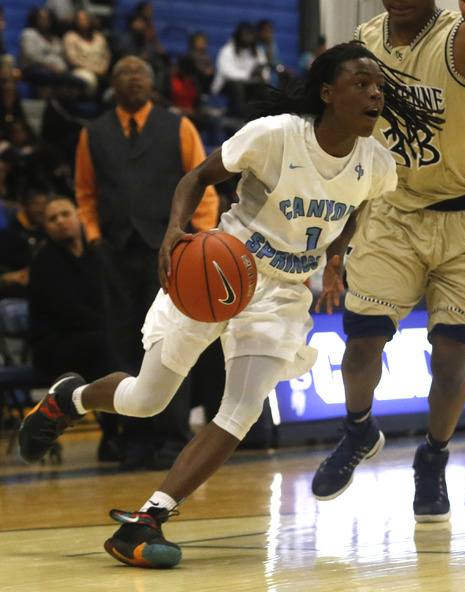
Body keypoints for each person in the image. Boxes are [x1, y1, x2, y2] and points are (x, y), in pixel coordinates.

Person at [17, 41, 441, 568]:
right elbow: (197, 177)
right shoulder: (276, 135)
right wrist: (175, 230)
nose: (375, 92)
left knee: (240, 412)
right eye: (361, 83)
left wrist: (335, 255)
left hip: (284, 293)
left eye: (378, 85)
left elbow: (357, 208)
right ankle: (71, 399)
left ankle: (148, 519)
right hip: (222, 267)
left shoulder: (376, 163)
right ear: (328, 93)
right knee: (148, 399)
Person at [311, 0, 465, 524]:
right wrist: (337, 237)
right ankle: (357, 431)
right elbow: (355, 145)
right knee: (360, 343)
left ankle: (433, 457)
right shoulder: (364, 40)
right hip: (393, 212)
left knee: (451, 359)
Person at [74, 55, 220, 470]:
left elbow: (204, 183)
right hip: (115, 253)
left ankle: (172, 441)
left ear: (152, 83)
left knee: (171, 343)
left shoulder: (178, 125)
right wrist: (96, 236)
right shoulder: (93, 133)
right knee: (122, 345)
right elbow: (85, 192)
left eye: (140, 72)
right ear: (112, 83)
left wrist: (201, 238)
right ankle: (133, 442)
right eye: (124, 72)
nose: (133, 78)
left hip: (171, 252)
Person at [28, 195, 121, 461]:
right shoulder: (44, 262)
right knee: (106, 348)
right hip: (55, 345)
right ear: (45, 227)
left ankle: (139, 432)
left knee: (120, 344)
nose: (60, 222)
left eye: (65, 214)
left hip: (94, 337)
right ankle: (112, 434)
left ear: (79, 216)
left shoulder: (98, 254)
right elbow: (67, 313)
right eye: (52, 218)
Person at [211, 21, 270, 119]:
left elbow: (264, 69)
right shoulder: (227, 50)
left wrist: (262, 76)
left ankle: (265, 117)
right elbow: (227, 72)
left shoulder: (258, 51)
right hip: (227, 85)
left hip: (250, 84)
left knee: (265, 89)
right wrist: (249, 75)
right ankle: (241, 118)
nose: (248, 38)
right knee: (238, 86)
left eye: (250, 35)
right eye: (245, 34)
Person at [63, 10, 111, 99]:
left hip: (101, 71)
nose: (84, 21)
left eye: (86, 18)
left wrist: (103, 68)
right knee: (90, 80)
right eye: (81, 19)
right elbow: (72, 59)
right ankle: (87, 102)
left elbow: (106, 56)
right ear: (75, 21)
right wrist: (93, 69)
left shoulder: (99, 37)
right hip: (80, 70)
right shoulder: (70, 37)